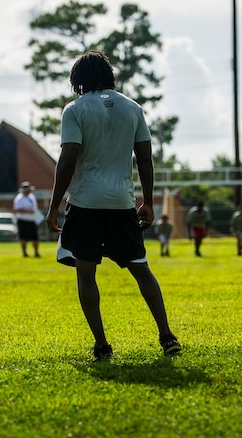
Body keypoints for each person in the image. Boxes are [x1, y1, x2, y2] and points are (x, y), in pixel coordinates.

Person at [45, 50, 181, 360]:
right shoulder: (132, 108)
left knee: (86, 274)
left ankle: (102, 345)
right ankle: (166, 334)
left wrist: (54, 206)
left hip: (85, 201)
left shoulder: (74, 110)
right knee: (141, 269)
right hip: (122, 200)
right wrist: (147, 200)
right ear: (109, 76)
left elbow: (67, 159)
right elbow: (144, 158)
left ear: (77, 80)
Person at [13, 181, 42, 258]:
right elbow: (17, 209)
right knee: (23, 237)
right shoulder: (19, 198)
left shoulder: (32, 196)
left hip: (32, 220)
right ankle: (25, 253)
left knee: (35, 237)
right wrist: (28, 211)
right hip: (23, 220)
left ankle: (36, 252)